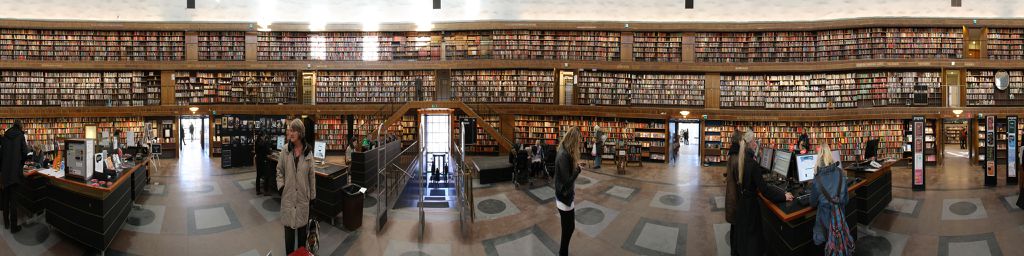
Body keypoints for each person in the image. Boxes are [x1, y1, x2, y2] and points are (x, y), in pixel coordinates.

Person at [731, 128, 793, 256]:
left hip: (743, 204)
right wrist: (783, 195)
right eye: (754, 141)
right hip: (751, 207)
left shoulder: (740, 160)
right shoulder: (752, 164)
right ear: (749, 143)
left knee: (745, 238)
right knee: (753, 240)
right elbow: (765, 190)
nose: (756, 144)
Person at [276, 119, 316, 254]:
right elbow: (279, 171)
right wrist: (281, 188)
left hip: (302, 201)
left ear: (300, 133)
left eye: (293, 130)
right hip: (288, 199)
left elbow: (312, 177)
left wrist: (312, 196)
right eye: (289, 130)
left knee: (301, 241)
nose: (290, 133)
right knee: (288, 240)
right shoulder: (285, 151)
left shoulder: (308, 153)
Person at [808, 143, 854, 255]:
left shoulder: (817, 179)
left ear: (818, 158)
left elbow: (812, 203)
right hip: (840, 220)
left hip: (825, 224)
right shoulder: (840, 173)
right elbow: (846, 200)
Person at [554, 126, 584, 256]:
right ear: (573, 141)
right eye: (578, 142)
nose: (579, 145)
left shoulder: (565, 152)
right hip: (564, 198)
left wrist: (575, 168)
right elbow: (566, 182)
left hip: (565, 197)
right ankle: (563, 253)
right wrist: (577, 171)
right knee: (569, 228)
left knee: (567, 228)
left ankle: (563, 252)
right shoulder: (563, 155)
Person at [1, 121, 30, 233]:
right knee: (13, 200)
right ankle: (13, 226)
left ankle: (6, 223)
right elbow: (25, 152)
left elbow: (1, 154)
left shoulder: (5, 136)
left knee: (5, 198)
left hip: (5, 172)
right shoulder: (21, 136)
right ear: (20, 126)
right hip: (15, 172)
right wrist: (21, 163)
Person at [254, 131, 269, 195]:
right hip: (263, 160)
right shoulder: (264, 142)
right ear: (263, 136)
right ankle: (266, 191)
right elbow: (267, 151)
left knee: (258, 175)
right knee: (266, 175)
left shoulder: (257, 141)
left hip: (258, 160)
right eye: (264, 135)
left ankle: (258, 190)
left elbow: (256, 151)